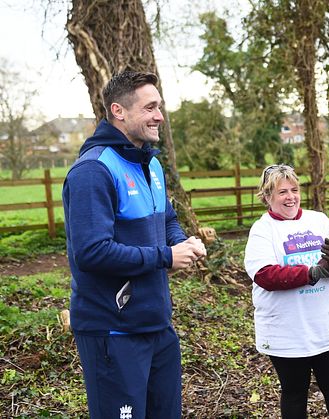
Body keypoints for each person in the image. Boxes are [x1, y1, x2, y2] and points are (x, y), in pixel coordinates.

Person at [62, 71, 207, 418]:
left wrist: (181, 242)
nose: (159, 116)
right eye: (150, 108)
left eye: (160, 107)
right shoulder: (93, 171)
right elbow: (91, 252)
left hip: (157, 326)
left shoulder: (151, 163)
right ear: (119, 111)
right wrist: (165, 256)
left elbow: (167, 218)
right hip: (112, 331)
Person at [244, 164, 329, 419]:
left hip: (325, 327)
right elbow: (265, 275)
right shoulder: (262, 230)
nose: (290, 197)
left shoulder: (319, 221)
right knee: (294, 393)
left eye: (294, 190)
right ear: (267, 196)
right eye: (282, 192)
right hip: (286, 331)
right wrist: (312, 273)